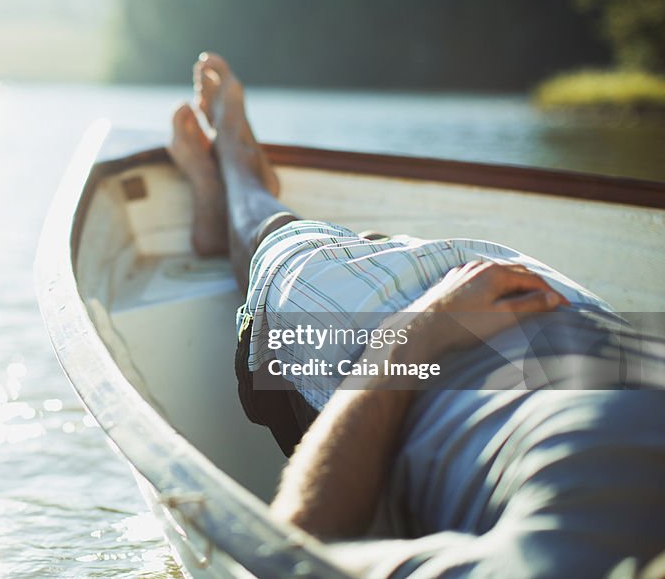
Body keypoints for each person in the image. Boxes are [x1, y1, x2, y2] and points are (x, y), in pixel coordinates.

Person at [166, 52, 665, 578]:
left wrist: (414, 336)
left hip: (418, 368)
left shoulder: (558, 559)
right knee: (360, 258)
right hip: (582, 318)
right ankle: (241, 194)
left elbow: (296, 552)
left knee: (293, 256)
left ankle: (240, 182)